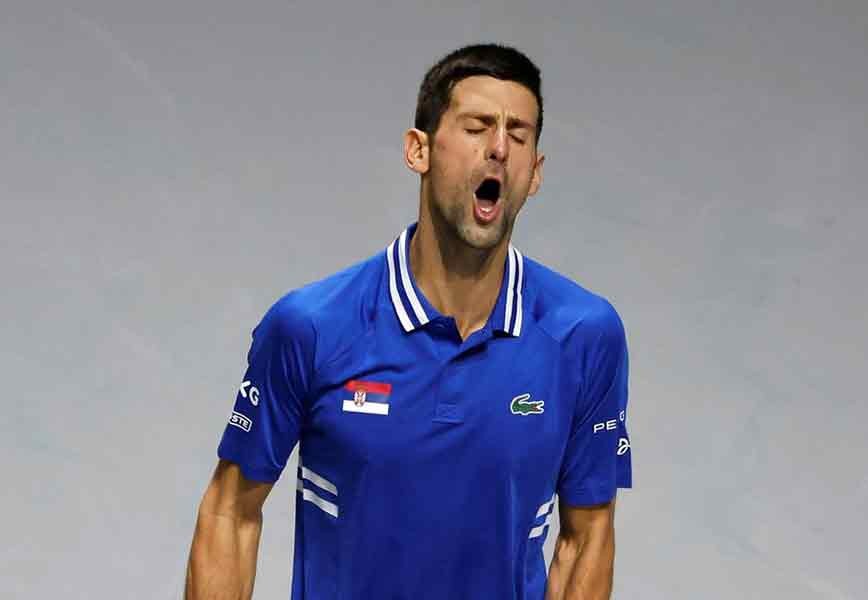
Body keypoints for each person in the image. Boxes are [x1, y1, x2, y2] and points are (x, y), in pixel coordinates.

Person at [184, 43, 632, 600]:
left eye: (518, 135)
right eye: (477, 127)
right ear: (418, 150)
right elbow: (231, 514)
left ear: (535, 173)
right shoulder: (311, 327)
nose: (498, 149)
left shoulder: (584, 337)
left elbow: (585, 540)